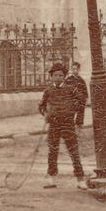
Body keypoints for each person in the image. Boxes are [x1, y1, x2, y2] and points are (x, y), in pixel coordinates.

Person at [38, 61, 87, 189]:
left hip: (68, 125)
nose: (58, 78)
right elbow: (41, 106)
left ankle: (80, 179)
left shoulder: (71, 89)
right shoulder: (48, 90)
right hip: (54, 125)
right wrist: (46, 115)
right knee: (52, 151)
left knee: (73, 151)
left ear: (64, 76)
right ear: (51, 76)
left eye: (60, 75)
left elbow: (82, 101)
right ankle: (51, 178)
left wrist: (75, 114)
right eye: (55, 75)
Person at [65, 61, 89, 128]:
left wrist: (85, 98)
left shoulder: (81, 80)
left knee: (81, 111)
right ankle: (70, 124)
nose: (75, 71)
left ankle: (79, 123)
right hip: (72, 100)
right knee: (70, 113)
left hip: (80, 100)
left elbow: (85, 90)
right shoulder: (68, 80)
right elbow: (65, 90)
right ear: (71, 70)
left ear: (79, 70)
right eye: (73, 69)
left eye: (76, 69)